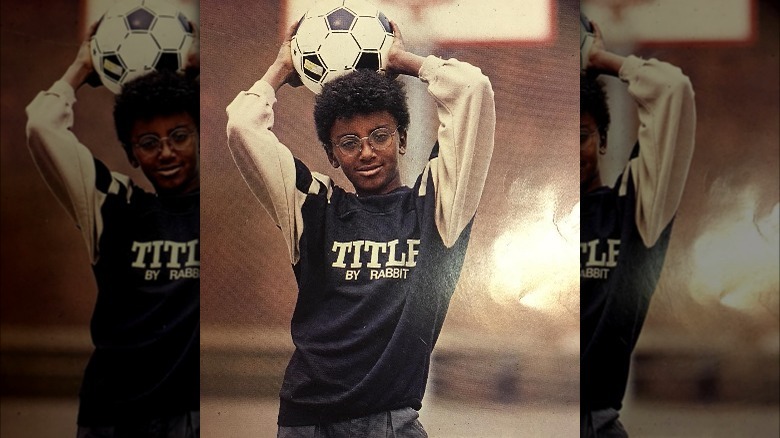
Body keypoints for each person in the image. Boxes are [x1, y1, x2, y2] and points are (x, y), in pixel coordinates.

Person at [226, 21, 495, 437]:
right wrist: (280, 69)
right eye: (348, 142)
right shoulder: (315, 208)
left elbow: (473, 90)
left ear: (402, 139)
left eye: (380, 136)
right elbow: (242, 127)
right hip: (306, 423)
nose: (366, 151)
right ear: (333, 157)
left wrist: (404, 62)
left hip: (391, 422)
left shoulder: (436, 207)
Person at [25, 32, 200, 437]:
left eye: (179, 136)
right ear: (130, 153)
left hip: (188, 416)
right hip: (110, 416)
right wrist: (82, 67)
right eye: (148, 143)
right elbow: (41, 126)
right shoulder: (114, 204)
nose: (166, 153)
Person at [579, 19, 696, 437]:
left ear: (604, 141)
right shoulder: (540, 219)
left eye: (583, 136)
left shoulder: (633, 210)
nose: (572, 150)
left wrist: (599, 59)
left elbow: (672, 90)